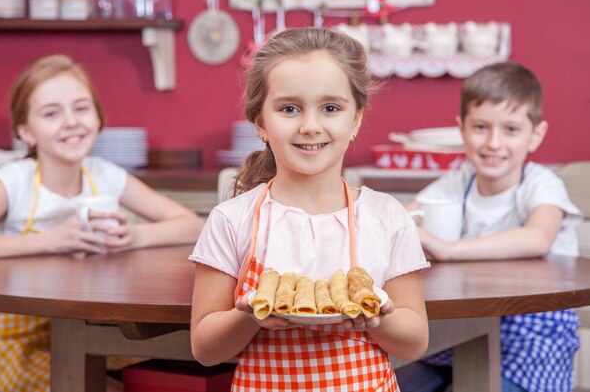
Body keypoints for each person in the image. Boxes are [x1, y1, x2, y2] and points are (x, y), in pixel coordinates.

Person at [189, 27, 430, 391]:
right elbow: (205, 349)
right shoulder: (232, 220)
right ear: (261, 123)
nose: (310, 126)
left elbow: (415, 342)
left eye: (330, 108)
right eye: (289, 108)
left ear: (356, 120)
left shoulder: (386, 216)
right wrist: (250, 316)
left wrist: (377, 321)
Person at [0, 54, 204, 392]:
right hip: (16, 340)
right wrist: (51, 241)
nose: (71, 122)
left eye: (81, 108)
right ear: (26, 131)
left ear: (98, 117)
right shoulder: (13, 182)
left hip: (96, 327)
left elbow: (190, 225)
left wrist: (134, 236)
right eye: (51, 113)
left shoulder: (104, 175)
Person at [397, 62, 583, 392]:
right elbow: (401, 218)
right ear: (462, 130)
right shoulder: (459, 182)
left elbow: (539, 237)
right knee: (392, 382)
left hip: (533, 339)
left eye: (510, 130)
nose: (494, 143)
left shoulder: (541, 184)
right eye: (481, 127)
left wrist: (449, 250)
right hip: (463, 326)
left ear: (535, 135)